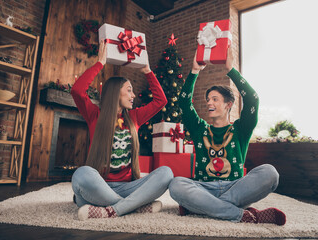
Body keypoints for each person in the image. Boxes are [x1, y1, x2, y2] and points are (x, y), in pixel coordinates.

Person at [169, 49, 286, 225]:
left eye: (215, 99)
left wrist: (231, 69)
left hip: (236, 187)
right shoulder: (199, 128)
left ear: (228, 104)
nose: (209, 102)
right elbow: (184, 103)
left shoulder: (241, 128)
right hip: (204, 188)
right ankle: (242, 215)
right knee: (175, 184)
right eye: (208, 99)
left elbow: (253, 99)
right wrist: (194, 71)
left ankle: (201, 207)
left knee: (270, 173)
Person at [71, 40, 173, 220]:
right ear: (115, 92)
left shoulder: (134, 117)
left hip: (128, 187)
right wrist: (100, 63)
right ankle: (133, 207)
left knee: (166, 173)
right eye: (129, 90)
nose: (133, 95)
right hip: (99, 186)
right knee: (81, 175)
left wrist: (147, 71)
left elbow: (160, 101)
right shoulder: (95, 115)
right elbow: (78, 91)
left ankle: (112, 210)